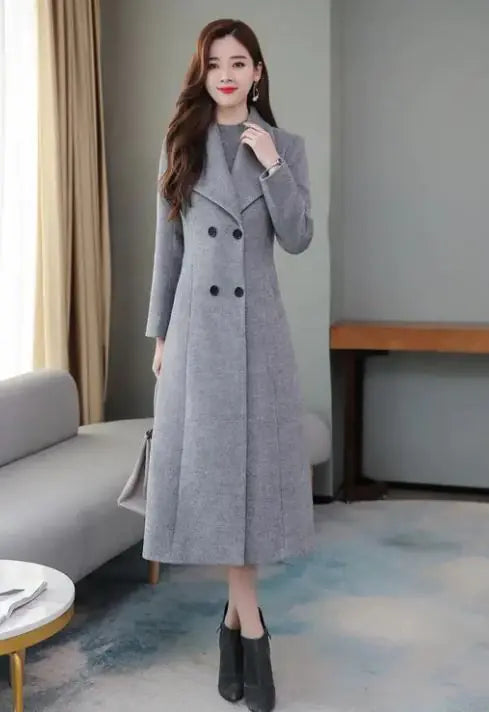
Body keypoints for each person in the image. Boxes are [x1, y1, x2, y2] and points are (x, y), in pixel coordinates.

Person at [142, 17, 315, 712]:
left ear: (257, 72)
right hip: (198, 336)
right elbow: (169, 249)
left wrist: (271, 164)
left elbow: (298, 237)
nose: (225, 74)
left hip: (257, 337)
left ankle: (236, 626)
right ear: (203, 72)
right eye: (214, 63)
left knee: (246, 487)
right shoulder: (180, 142)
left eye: (238, 62)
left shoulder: (284, 146)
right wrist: (160, 335)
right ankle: (250, 628)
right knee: (219, 485)